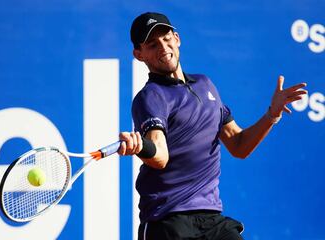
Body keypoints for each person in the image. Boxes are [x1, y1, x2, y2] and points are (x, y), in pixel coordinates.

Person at [117, 12, 307, 240]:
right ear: (139, 54)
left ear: (177, 38)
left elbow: (238, 145)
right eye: (152, 44)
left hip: (212, 219)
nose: (163, 47)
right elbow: (160, 156)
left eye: (166, 38)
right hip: (168, 221)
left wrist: (271, 114)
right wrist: (141, 147)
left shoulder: (205, 85)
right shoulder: (151, 97)